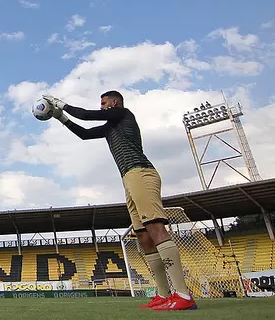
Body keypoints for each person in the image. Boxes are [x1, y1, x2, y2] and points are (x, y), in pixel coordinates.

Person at [42, 91, 197, 311]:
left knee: (155, 227)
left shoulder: (122, 114)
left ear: (114, 102)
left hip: (141, 173)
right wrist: (61, 118)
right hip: (129, 178)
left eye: (104, 103)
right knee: (143, 236)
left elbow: (86, 116)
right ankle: (163, 294)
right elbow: (84, 134)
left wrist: (60, 104)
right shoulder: (110, 127)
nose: (102, 106)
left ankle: (183, 295)